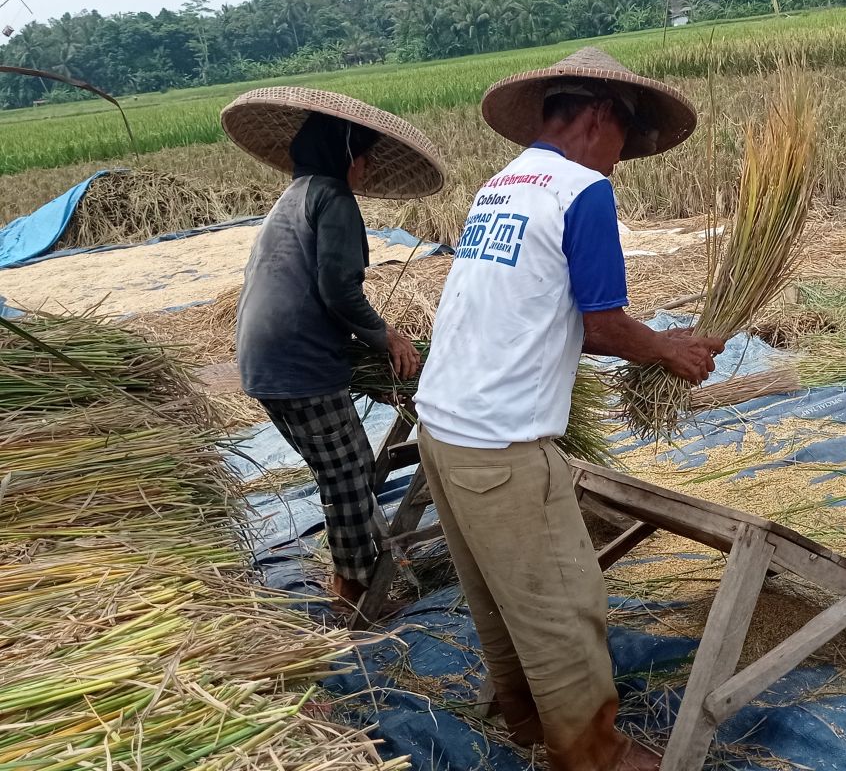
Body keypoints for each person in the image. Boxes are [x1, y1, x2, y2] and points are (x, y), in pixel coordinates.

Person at [414, 48, 725, 770]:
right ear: (597, 117)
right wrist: (666, 352)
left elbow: (542, 314)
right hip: (499, 445)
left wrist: (654, 341)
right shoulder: (581, 189)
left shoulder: (503, 184)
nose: (620, 159)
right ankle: (595, 755)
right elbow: (599, 324)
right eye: (623, 139)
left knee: (499, 597)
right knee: (563, 603)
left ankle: (525, 720)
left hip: (444, 430)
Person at [220, 87, 445, 609]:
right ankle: (355, 586)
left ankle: (374, 558)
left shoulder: (295, 194)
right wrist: (387, 336)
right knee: (345, 471)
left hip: (262, 359)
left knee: (344, 464)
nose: (364, 170)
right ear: (347, 155)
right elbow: (339, 291)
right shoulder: (334, 199)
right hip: (298, 361)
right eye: (362, 158)